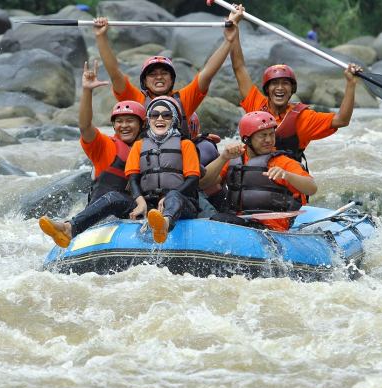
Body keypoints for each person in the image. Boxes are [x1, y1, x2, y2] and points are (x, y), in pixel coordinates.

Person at [229, 5, 362, 171]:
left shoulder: (303, 118)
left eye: (285, 83)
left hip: (285, 181)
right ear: (267, 89)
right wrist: (234, 27)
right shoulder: (256, 104)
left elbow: (342, 120)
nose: (280, 88)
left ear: (292, 90)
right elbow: (239, 67)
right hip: (253, 178)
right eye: (274, 83)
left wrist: (350, 84)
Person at [39, 60, 147, 248]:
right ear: (113, 125)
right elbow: (85, 126)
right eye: (119, 122)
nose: (124, 126)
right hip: (102, 220)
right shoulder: (106, 146)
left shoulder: (150, 148)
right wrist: (87, 91)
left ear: (142, 125)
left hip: (134, 214)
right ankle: (68, 228)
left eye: (130, 121)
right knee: (114, 197)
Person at [91, 6, 244, 137]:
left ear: (172, 79)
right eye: (152, 74)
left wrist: (229, 40)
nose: (159, 77)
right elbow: (114, 73)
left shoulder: (184, 100)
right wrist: (101, 37)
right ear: (144, 81)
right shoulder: (135, 99)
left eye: (164, 73)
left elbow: (207, 73)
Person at [199, 111, 317, 231]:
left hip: (270, 228)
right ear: (247, 139)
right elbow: (203, 183)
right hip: (240, 221)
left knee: (221, 219)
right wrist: (223, 157)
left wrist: (287, 175)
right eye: (263, 135)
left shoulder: (282, 162)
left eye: (272, 134)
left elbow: (311, 188)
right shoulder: (234, 158)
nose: (269, 140)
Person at [125, 96, 201, 243]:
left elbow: (193, 179)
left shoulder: (185, 144)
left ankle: (164, 224)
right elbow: (133, 179)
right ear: (149, 119)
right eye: (154, 115)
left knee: (174, 195)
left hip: (181, 202)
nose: (160, 119)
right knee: (113, 198)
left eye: (166, 115)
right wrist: (140, 202)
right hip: (149, 204)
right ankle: (71, 227)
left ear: (174, 120)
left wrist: (170, 197)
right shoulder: (139, 145)